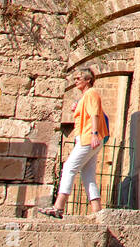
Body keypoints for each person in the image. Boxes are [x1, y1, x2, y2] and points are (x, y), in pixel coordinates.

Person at [39, 69, 108, 217]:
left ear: (88, 80)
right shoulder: (86, 96)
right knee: (88, 175)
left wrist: (95, 134)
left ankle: (59, 206)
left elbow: (95, 114)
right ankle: (97, 210)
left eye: (79, 78)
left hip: (88, 138)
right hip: (87, 138)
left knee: (69, 167)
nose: (76, 81)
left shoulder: (91, 93)